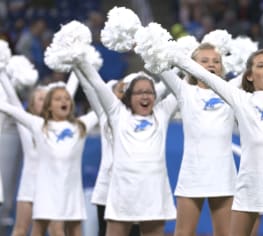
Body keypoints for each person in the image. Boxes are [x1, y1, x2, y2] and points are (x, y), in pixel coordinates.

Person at [161, 48, 263, 235]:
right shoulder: (240, 98)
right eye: (261, 65)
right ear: (249, 76)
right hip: (248, 188)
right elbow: (204, 76)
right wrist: (173, 54)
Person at [74, 59, 178, 236]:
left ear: (156, 96)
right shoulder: (117, 114)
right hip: (123, 194)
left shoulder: (162, 113)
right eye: (138, 92)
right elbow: (96, 85)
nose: (144, 96)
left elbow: (179, 89)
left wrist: (166, 58)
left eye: (149, 92)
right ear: (128, 97)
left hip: (153, 193)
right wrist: (81, 61)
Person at [158, 43, 236, 236]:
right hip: (193, 173)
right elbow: (159, 65)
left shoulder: (232, 91)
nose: (212, 64)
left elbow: (258, 64)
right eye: (205, 60)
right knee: (183, 232)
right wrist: (143, 40)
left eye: (216, 61)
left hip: (223, 174)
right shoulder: (185, 91)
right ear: (192, 66)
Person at [0, 85, 97, 236]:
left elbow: (103, 107)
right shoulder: (38, 125)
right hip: (44, 191)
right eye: (57, 99)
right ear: (49, 106)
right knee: (36, 230)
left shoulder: (79, 126)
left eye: (66, 99)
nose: (63, 101)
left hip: (69, 192)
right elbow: (12, 108)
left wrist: (80, 67)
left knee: (71, 231)